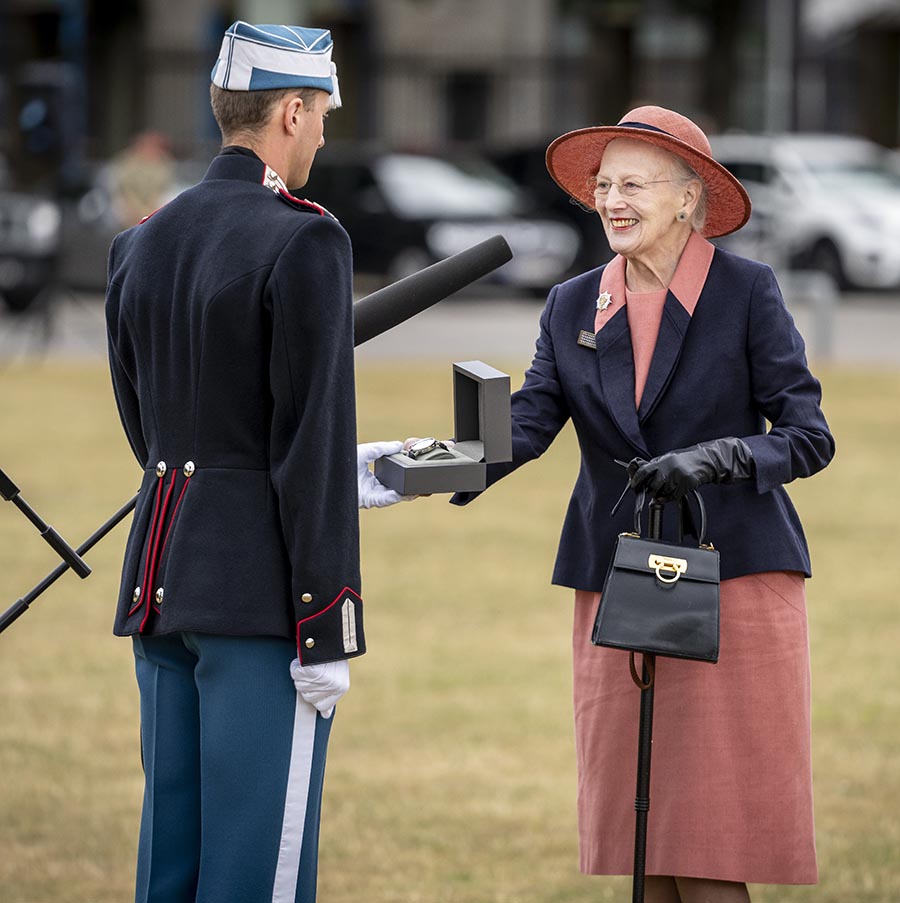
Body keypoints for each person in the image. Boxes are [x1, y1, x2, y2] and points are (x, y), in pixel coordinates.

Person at [451, 106, 834, 903]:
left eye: (633, 183)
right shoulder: (570, 303)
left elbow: (807, 435)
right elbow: (530, 420)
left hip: (734, 585)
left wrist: (721, 455)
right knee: (643, 846)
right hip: (617, 587)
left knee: (709, 845)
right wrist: (443, 462)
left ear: (689, 199)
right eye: (603, 184)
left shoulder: (748, 290)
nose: (612, 199)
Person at [105, 22, 408, 903]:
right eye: (319, 115)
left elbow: (153, 428)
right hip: (261, 600)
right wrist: (329, 622)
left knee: (175, 861)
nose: (321, 133)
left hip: (162, 583)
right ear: (289, 109)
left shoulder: (141, 242)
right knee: (255, 873)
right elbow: (305, 437)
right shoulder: (306, 239)